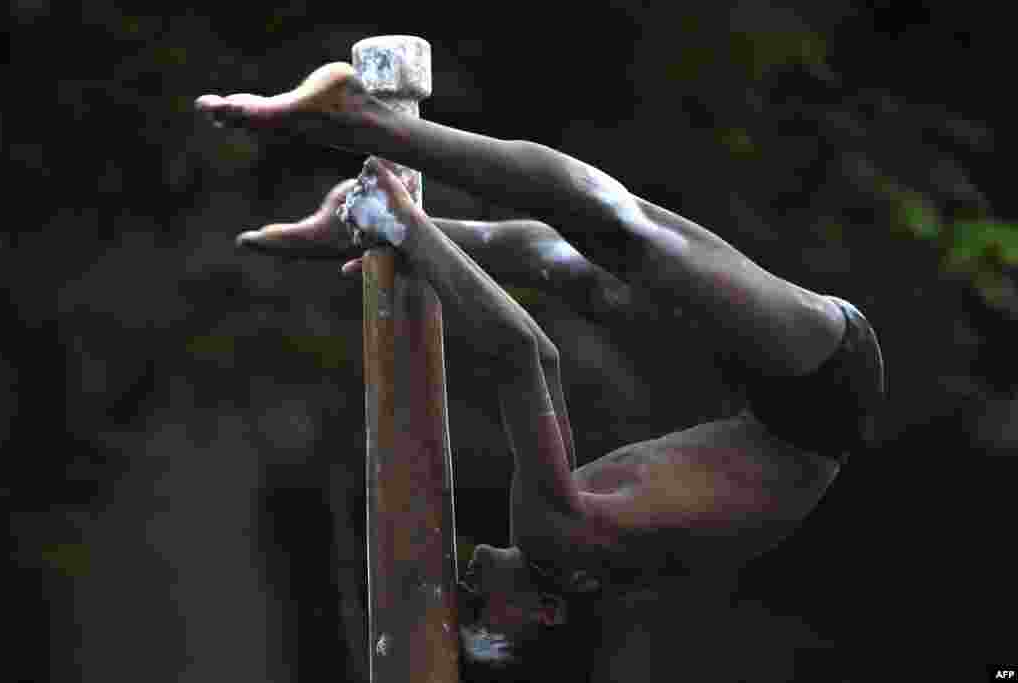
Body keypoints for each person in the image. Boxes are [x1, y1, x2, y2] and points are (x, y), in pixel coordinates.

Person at [196, 61, 885, 682]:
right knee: (616, 225)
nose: (458, 582)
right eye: (475, 610)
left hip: (783, 404)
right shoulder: (558, 540)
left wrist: (399, 234)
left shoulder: (587, 555)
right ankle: (359, 121)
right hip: (817, 392)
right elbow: (519, 350)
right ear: (541, 619)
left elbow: (532, 300)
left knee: (565, 263)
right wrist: (406, 226)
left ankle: (355, 216)